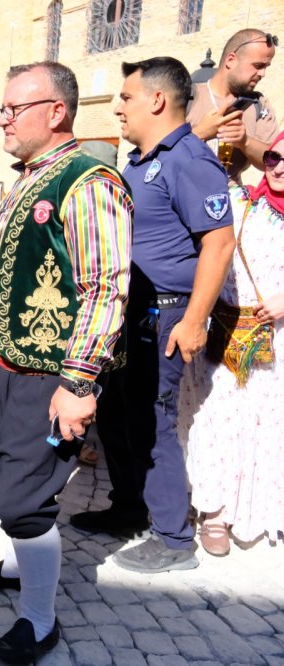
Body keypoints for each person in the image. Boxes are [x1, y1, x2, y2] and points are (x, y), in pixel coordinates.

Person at [0, 61, 133, 663]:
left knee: (22, 501)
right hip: (13, 367)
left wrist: (79, 381)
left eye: (14, 108)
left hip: (52, 379)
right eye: (3, 109)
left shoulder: (87, 180)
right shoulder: (30, 177)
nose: (2, 119)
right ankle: (16, 567)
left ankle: (39, 622)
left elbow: (104, 286)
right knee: (13, 477)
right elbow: (2, 270)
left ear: (55, 112)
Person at [72, 58, 236, 576]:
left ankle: (174, 539)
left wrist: (193, 320)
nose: (118, 107)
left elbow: (219, 241)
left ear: (157, 101)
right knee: (119, 416)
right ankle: (128, 510)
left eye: (126, 97)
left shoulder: (190, 160)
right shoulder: (143, 161)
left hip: (164, 316)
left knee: (154, 423)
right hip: (129, 313)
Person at [179, 132, 284, 554]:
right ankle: (214, 512)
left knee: (261, 424)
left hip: (274, 340)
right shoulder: (241, 202)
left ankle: (254, 508)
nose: (279, 166)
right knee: (216, 417)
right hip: (224, 332)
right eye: (274, 156)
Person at [188, 29, 278, 182]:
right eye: (258, 65)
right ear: (231, 60)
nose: (262, 74)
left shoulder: (258, 104)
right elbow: (155, 151)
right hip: (182, 198)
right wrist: (199, 133)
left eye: (266, 67)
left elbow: (275, 161)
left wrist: (245, 142)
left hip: (231, 199)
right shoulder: (187, 97)